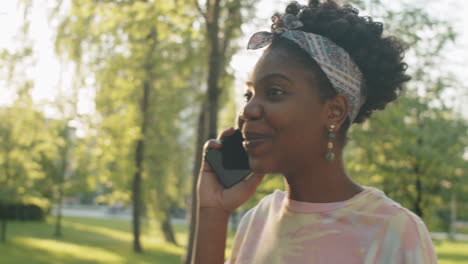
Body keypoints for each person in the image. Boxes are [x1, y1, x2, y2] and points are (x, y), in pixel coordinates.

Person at [192, 0, 437, 263]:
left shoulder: (393, 232)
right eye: (249, 94)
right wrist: (213, 213)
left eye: (274, 92)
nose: (247, 111)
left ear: (334, 112)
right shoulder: (258, 219)